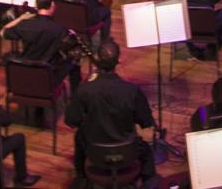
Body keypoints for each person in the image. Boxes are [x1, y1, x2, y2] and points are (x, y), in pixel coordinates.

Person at [64, 39, 155, 185]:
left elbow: (71, 121)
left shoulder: (85, 89)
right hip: (127, 152)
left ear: (98, 59)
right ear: (118, 60)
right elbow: (146, 123)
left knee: (79, 136)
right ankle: (149, 182)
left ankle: (81, 178)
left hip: (95, 152)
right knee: (146, 150)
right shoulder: (132, 90)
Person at [1, 0, 82, 91]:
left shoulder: (25, 25)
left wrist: (20, 18)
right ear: (52, 4)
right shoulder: (60, 29)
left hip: (25, 76)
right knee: (73, 60)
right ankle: (75, 96)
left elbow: (3, 32)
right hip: (46, 81)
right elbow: (70, 47)